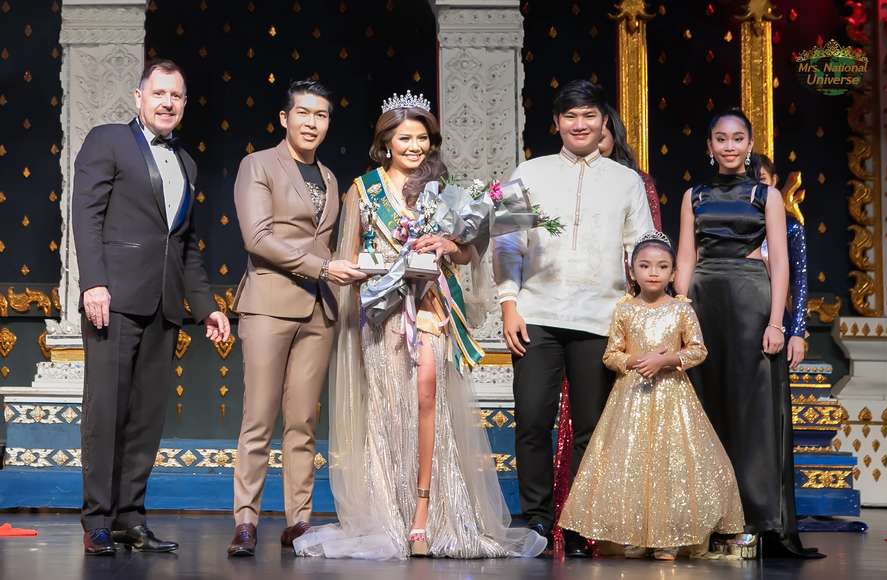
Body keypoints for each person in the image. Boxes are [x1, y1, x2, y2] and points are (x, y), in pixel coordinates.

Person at [294, 92, 546, 559]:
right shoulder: (364, 189)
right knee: (390, 406)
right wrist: (378, 271)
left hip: (431, 305)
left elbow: (468, 252)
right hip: (382, 314)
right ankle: (390, 511)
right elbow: (351, 256)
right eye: (405, 138)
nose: (414, 147)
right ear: (386, 143)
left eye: (422, 138)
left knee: (428, 392)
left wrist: (450, 246)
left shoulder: (444, 189)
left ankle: (427, 513)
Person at [72, 59, 230, 555]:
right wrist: (94, 283)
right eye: (159, 93)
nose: (167, 103)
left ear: (184, 105)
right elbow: (86, 214)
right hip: (114, 300)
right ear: (138, 98)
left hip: (164, 304)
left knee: (146, 417)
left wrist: (205, 307)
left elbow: (185, 245)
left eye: (176, 96)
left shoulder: (187, 163)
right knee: (107, 411)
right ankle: (98, 519)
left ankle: (129, 517)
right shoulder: (108, 140)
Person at [493, 79, 654, 556]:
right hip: (536, 315)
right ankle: (539, 521)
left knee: (591, 427)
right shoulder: (530, 172)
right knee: (531, 420)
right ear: (556, 123)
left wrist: (644, 315)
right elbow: (506, 243)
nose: (579, 124)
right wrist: (509, 303)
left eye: (588, 115)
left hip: (601, 319)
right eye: (570, 116)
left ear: (604, 122)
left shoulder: (626, 181)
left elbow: (642, 249)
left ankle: (581, 524)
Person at [674, 109, 823, 559]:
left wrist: (777, 322)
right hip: (704, 301)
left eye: (737, 138)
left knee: (754, 411)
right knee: (707, 406)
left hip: (752, 303)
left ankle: (757, 518)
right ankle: (707, 517)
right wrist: (680, 314)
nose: (729, 146)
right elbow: (686, 259)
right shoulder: (694, 195)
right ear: (709, 146)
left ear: (750, 143)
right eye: (721, 139)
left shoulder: (767, 195)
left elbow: (780, 262)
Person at [227, 80, 366, 558]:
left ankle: (299, 521)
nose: (312, 123)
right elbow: (258, 238)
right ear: (284, 118)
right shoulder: (258, 165)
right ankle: (246, 521)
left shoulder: (329, 177)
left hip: (319, 309)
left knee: (304, 422)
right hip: (269, 303)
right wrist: (323, 268)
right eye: (303, 113)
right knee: (258, 419)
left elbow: (330, 242)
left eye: (321, 115)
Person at [558, 231, 744, 560]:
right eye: (644, 266)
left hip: (673, 397)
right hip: (631, 398)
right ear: (632, 272)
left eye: (662, 266)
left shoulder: (681, 309)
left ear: (673, 273)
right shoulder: (625, 310)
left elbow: (698, 350)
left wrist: (667, 359)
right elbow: (611, 355)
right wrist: (635, 361)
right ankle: (634, 534)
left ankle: (668, 538)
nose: (653, 272)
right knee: (632, 466)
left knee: (671, 465)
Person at [756, 154, 808, 369]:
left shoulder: (791, 227)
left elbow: (799, 280)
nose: (757, 188)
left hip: (777, 319)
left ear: (774, 181)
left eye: (762, 180)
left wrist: (798, 332)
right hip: (739, 313)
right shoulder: (731, 225)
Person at [597, 105, 662, 229]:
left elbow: (650, 234)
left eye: (599, 139)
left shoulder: (638, 181)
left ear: (615, 137)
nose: (593, 147)